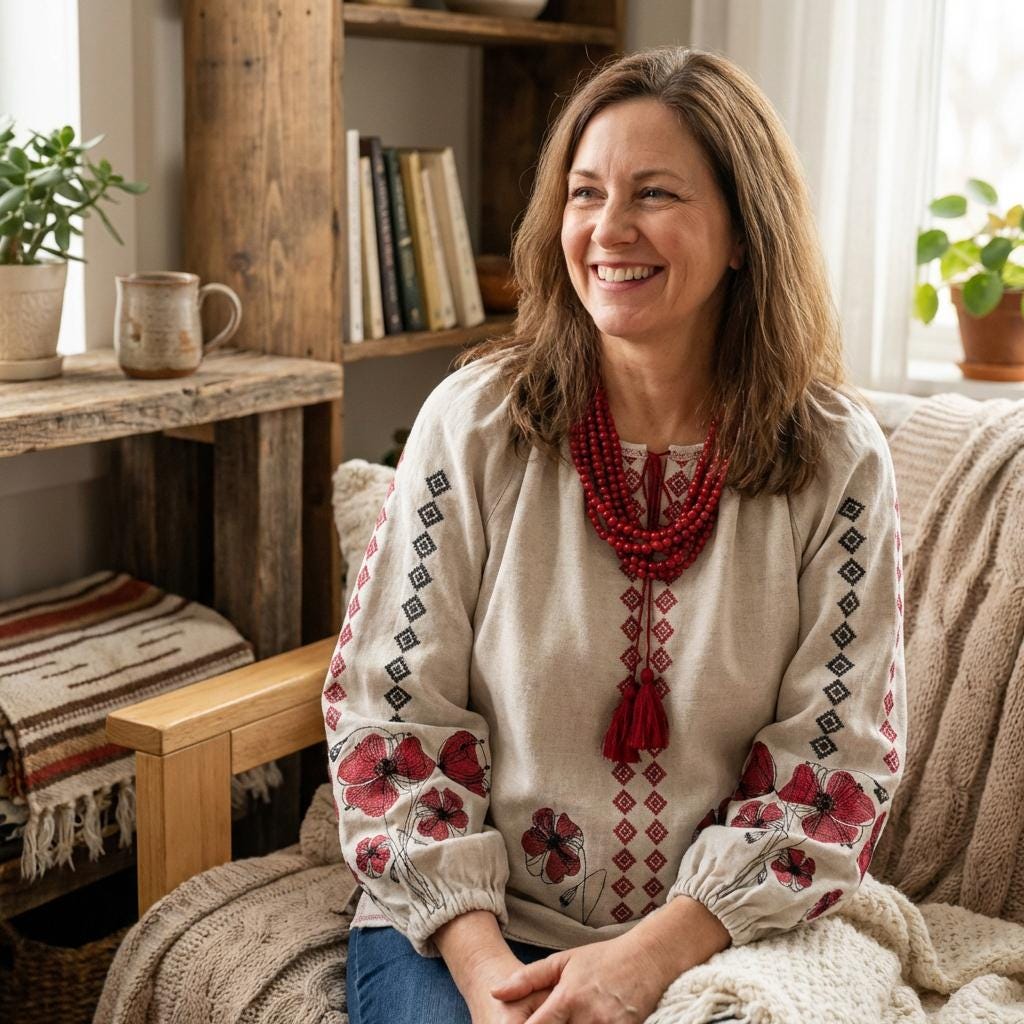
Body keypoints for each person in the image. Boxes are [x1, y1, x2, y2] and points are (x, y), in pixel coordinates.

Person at [326, 46, 906, 1024]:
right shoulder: (472, 423)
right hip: (460, 922)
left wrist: (645, 960)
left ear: (740, 233)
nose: (606, 229)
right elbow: (389, 719)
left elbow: (833, 769)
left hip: (717, 931)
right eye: (585, 192)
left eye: (654, 193)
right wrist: (489, 985)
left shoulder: (834, 461)